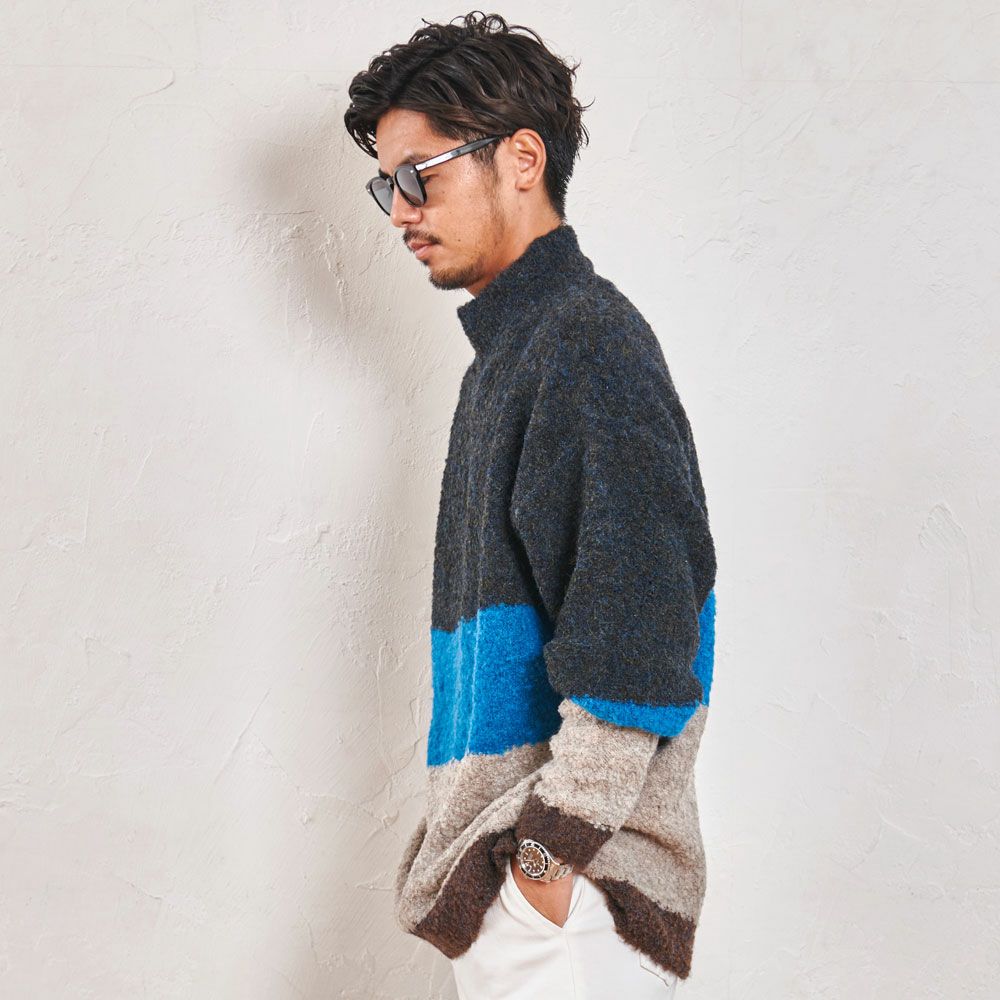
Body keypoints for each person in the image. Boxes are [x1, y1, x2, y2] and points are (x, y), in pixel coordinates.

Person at [344, 12, 717, 998]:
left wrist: (544, 867)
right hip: (541, 904)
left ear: (521, 158)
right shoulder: (514, 355)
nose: (399, 211)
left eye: (419, 175)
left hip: (572, 907)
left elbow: (641, 636)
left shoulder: (584, 343)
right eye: (386, 185)